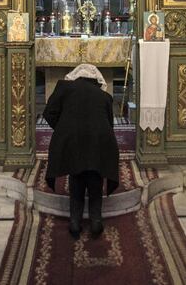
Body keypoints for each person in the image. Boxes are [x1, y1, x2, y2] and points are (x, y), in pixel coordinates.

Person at [43, 63, 119, 239]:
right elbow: (109, 123)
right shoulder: (105, 96)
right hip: (99, 140)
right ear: (96, 80)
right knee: (95, 177)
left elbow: (49, 113)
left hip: (73, 139)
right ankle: (96, 222)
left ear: (76, 76)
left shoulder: (64, 87)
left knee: (76, 176)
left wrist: (63, 128)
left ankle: (74, 223)